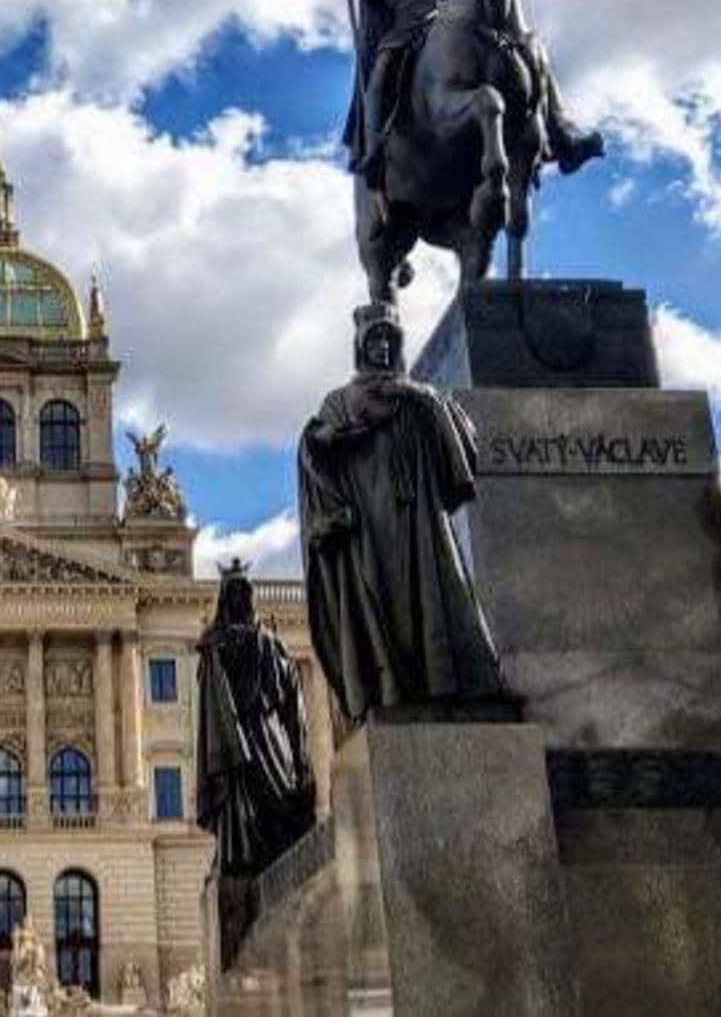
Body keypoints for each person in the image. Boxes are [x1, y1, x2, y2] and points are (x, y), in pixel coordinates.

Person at [320, 0, 603, 190]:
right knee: (382, 70)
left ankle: (561, 133)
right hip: (406, 39)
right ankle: (374, 151)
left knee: (528, 47)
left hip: (460, 35)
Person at [298, 302, 506, 721]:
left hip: (419, 519)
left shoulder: (418, 397)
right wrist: (325, 439)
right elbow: (313, 452)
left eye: (388, 339)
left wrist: (422, 397)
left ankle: (446, 683)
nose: (381, 347)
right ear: (360, 346)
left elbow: (459, 446)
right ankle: (392, 684)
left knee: (433, 595)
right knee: (380, 603)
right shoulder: (340, 400)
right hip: (369, 523)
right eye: (373, 339)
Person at [196, 560, 316, 875]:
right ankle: (246, 853)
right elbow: (211, 689)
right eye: (232, 593)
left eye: (243, 593)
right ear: (224, 599)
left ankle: (277, 846)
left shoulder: (271, 642)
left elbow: (290, 694)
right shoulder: (215, 643)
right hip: (235, 730)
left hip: (266, 729)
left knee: (278, 795)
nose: (239, 600)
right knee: (245, 798)